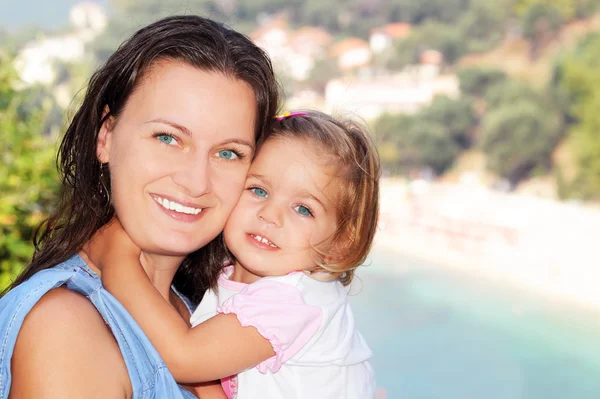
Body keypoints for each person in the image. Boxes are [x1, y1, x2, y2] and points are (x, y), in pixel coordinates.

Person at [0, 15, 279, 398]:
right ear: (106, 137)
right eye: (167, 137)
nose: (196, 181)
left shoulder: (195, 317)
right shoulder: (67, 327)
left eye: (228, 152)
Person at [95, 110, 381, 398]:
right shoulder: (232, 276)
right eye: (258, 190)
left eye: (303, 209)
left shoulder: (291, 302)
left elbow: (183, 359)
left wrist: (117, 252)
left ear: (339, 244)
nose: (270, 215)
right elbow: (206, 379)